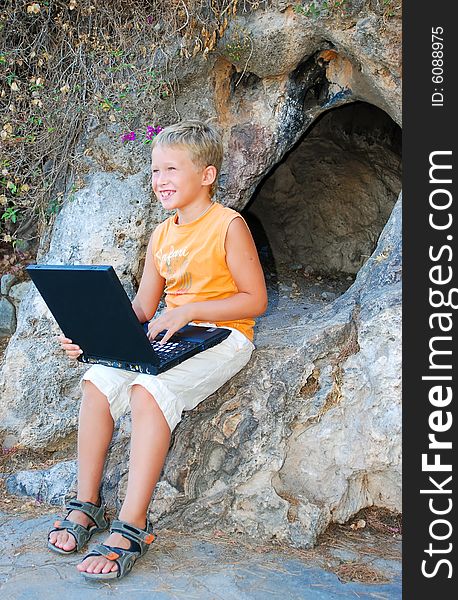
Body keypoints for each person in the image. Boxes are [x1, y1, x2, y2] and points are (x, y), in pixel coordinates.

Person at [47, 120, 268, 580]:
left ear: (206, 175)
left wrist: (189, 312)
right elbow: (145, 308)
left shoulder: (228, 225)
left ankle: (132, 524)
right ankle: (86, 502)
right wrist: (94, 336)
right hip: (169, 331)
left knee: (148, 390)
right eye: (154, 172)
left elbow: (255, 300)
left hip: (224, 335)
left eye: (171, 169)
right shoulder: (161, 235)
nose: (160, 181)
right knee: (98, 379)